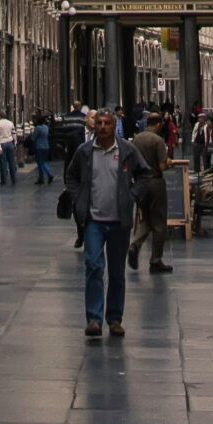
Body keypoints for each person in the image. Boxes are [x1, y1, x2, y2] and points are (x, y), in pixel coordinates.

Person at [64, 109, 148, 337]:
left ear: (114, 125)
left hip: (119, 221)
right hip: (93, 220)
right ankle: (93, 318)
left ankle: (114, 318)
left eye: (107, 123)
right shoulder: (85, 152)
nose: (102, 127)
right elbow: (70, 176)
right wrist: (78, 197)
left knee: (117, 271)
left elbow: (144, 174)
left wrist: (132, 196)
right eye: (99, 123)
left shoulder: (127, 151)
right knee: (93, 266)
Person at [127, 113, 173, 274]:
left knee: (145, 218)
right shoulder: (158, 141)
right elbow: (161, 166)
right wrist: (169, 163)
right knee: (159, 222)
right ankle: (156, 259)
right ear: (159, 124)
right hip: (155, 182)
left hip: (140, 183)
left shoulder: (136, 139)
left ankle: (135, 245)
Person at [0, 110, 18, 186]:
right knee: (11, 162)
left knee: (3, 162)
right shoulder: (10, 123)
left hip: (2, 144)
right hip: (10, 143)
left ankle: (4, 180)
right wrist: (15, 143)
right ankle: (13, 179)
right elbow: (14, 134)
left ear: (0, 115)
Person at [31, 112, 54, 184]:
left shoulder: (38, 128)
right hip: (46, 146)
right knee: (42, 162)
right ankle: (41, 178)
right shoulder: (46, 127)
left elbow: (33, 138)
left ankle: (49, 174)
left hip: (39, 147)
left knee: (41, 163)